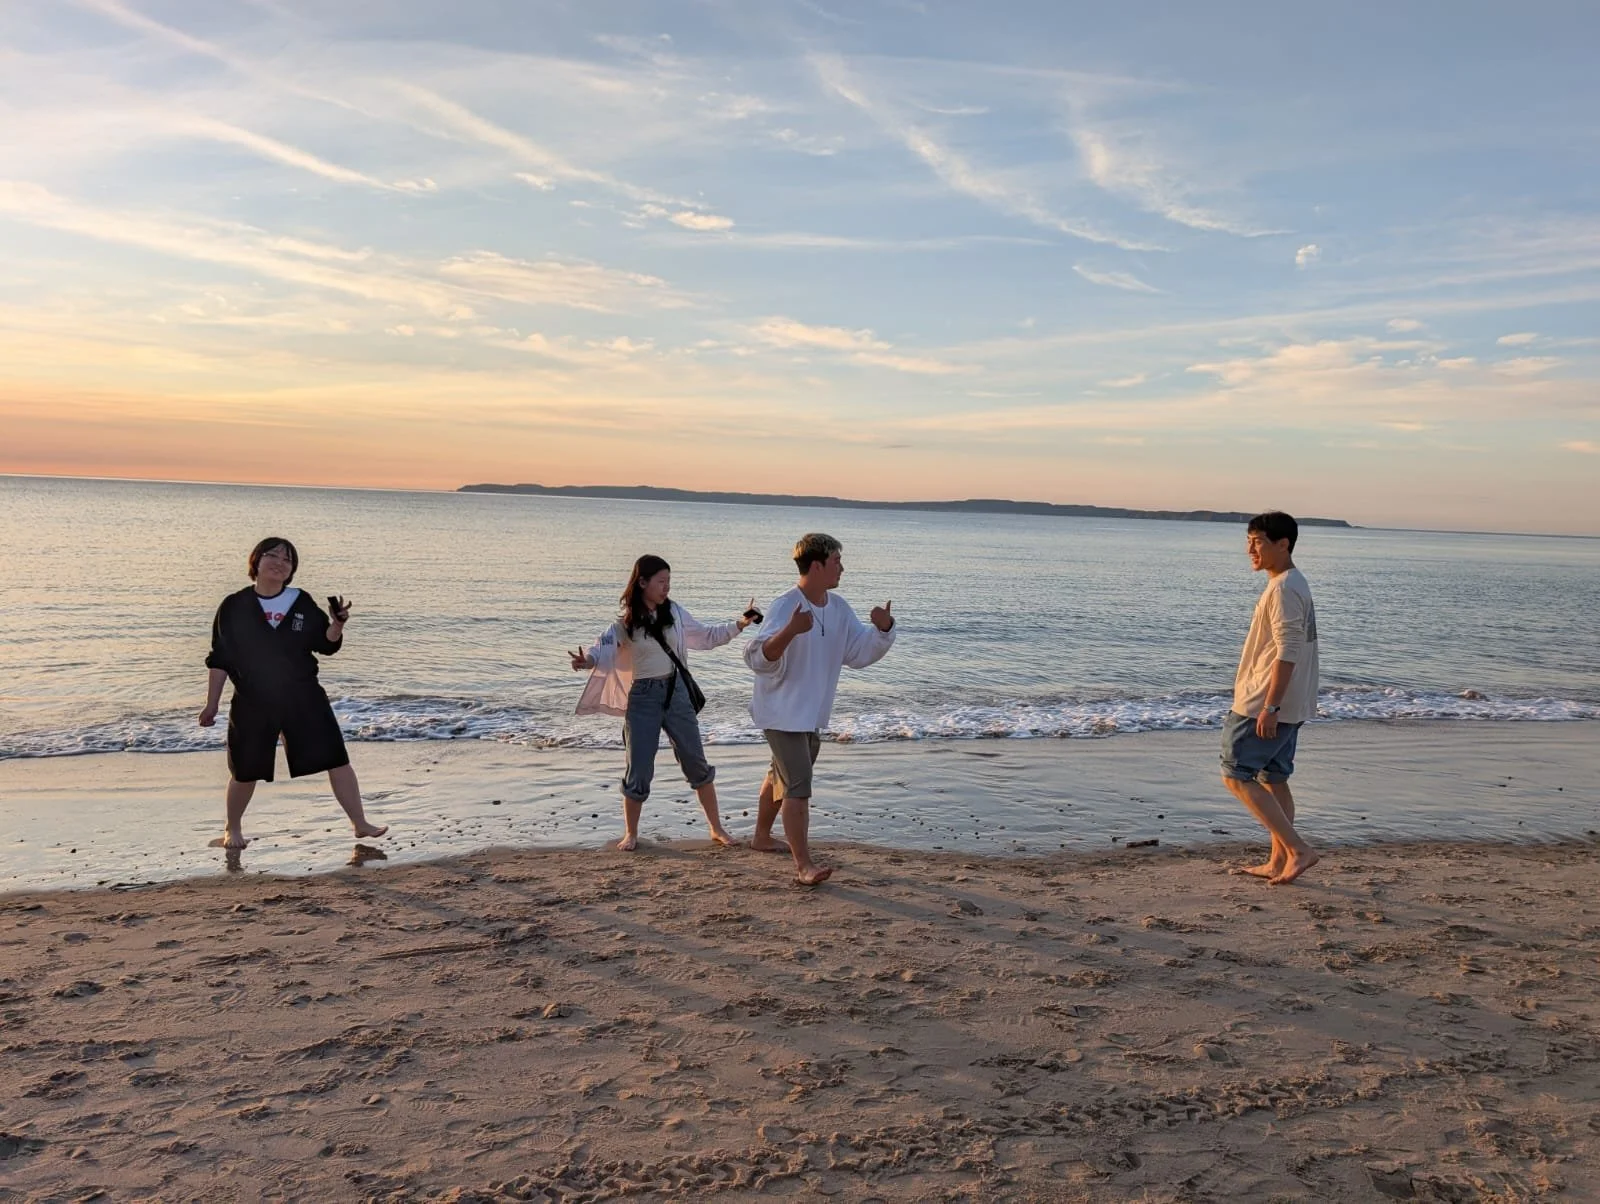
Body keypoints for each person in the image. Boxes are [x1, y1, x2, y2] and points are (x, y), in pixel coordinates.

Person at [199, 537, 387, 850]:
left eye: (287, 560)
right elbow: (220, 658)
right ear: (256, 561)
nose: (279, 563)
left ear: (292, 569)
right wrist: (211, 704)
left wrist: (338, 624)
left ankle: (360, 823)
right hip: (252, 699)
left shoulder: (300, 601)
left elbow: (325, 643)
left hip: (303, 696)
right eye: (272, 555)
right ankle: (233, 829)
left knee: (336, 758)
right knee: (245, 769)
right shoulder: (234, 605)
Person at [569, 554, 756, 852]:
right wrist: (585, 661)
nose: (667, 587)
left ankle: (716, 828)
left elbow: (707, 637)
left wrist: (740, 624)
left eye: (669, 581)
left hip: (677, 692)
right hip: (643, 697)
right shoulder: (625, 624)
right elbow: (599, 650)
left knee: (696, 762)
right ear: (642, 582)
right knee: (639, 767)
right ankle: (631, 833)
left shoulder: (676, 614)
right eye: (661, 582)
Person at [744, 533, 896, 886]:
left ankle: (761, 837)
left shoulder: (839, 607)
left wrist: (883, 629)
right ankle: (804, 866)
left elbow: (857, 653)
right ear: (817, 565)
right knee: (798, 786)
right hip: (781, 712)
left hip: (809, 715)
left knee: (779, 776)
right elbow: (756, 656)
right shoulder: (786, 606)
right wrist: (791, 631)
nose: (841, 567)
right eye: (836, 561)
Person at [1220, 511, 1320, 885]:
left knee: (1235, 774)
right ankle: (1279, 861)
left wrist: (1270, 707)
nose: (1250, 549)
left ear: (1284, 544)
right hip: (1288, 703)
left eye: (1258, 541)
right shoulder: (1292, 582)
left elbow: (1288, 649)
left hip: (1265, 701)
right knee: (1273, 778)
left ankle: (1298, 850)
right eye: (1248, 541)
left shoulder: (1283, 589)